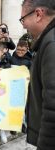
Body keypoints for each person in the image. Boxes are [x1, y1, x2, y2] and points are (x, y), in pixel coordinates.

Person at [20, 0, 55, 149]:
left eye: (23, 18)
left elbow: (52, 105)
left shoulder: (51, 43)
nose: (23, 24)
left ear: (38, 14)